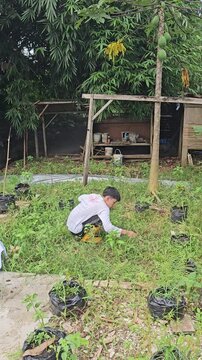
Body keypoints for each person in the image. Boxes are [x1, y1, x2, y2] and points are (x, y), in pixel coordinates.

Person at [66, 186, 137, 242]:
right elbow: (108, 228)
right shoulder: (104, 208)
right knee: (99, 220)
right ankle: (84, 237)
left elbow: (80, 198)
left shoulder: (95, 196)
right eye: (114, 202)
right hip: (77, 231)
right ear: (107, 198)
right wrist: (126, 232)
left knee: (95, 215)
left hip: (70, 224)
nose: (114, 206)